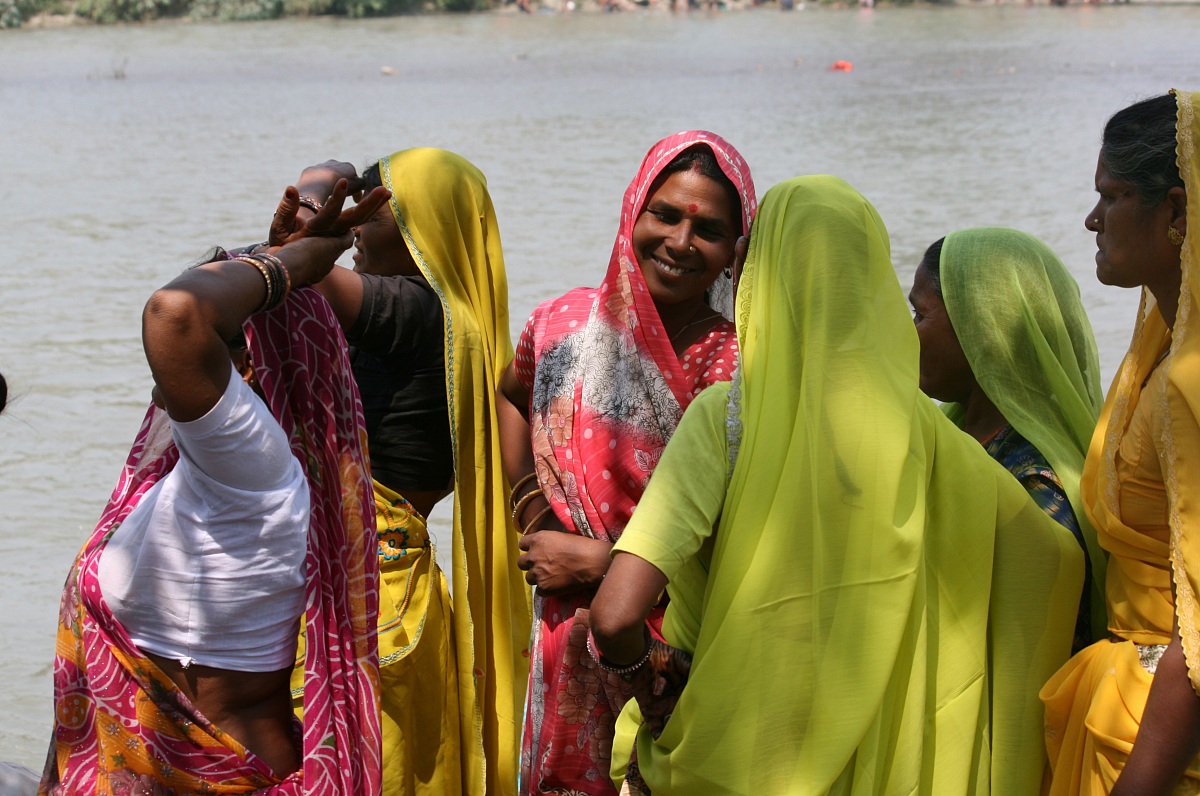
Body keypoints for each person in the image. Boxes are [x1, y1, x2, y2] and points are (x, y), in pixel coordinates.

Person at [589, 175, 1083, 795]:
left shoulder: (725, 420)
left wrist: (651, 678)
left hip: (728, 748)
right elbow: (1055, 561)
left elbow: (613, 617)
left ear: (756, 272)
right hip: (879, 757)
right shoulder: (937, 447)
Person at [39, 184, 387, 794]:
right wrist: (277, 253)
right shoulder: (188, 468)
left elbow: (174, 315)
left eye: (209, 354)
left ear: (249, 365)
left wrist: (285, 268)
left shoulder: (254, 472)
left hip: (213, 776)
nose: (165, 374)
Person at [496, 131, 755, 794]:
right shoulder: (560, 324)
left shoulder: (742, 368)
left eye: (709, 230)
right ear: (632, 211)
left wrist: (596, 564)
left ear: (735, 253)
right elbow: (511, 394)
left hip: (676, 652)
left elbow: (747, 540)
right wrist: (531, 511)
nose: (679, 242)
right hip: (566, 637)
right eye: (664, 214)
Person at [280, 149, 531, 796]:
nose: (357, 223)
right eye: (354, 205)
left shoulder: (412, 310)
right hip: (392, 580)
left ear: (421, 226)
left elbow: (274, 277)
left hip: (369, 592)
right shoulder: (456, 323)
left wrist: (313, 221)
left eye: (374, 205)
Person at [1041, 90, 1200, 795]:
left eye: (1114, 194)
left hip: (1164, 748)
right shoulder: (1159, 350)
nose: (1092, 219)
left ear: (1175, 211)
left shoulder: (1189, 381)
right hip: (1135, 713)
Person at [908, 227, 1106, 655]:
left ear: (981, 331)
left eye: (920, 316)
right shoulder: (955, 431)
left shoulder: (1034, 483)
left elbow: (1027, 645)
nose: (908, 335)